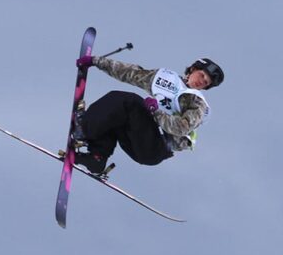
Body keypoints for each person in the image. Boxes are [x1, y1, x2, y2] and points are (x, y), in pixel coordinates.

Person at [71, 54, 224, 176]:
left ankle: (84, 129)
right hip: (140, 140)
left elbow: (181, 128)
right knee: (117, 117)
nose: (202, 82)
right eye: (202, 75)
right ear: (193, 69)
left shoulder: (197, 103)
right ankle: (97, 157)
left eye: (206, 83)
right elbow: (131, 73)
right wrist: (96, 61)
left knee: (129, 102)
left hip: (156, 147)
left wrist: (156, 111)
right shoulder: (167, 80)